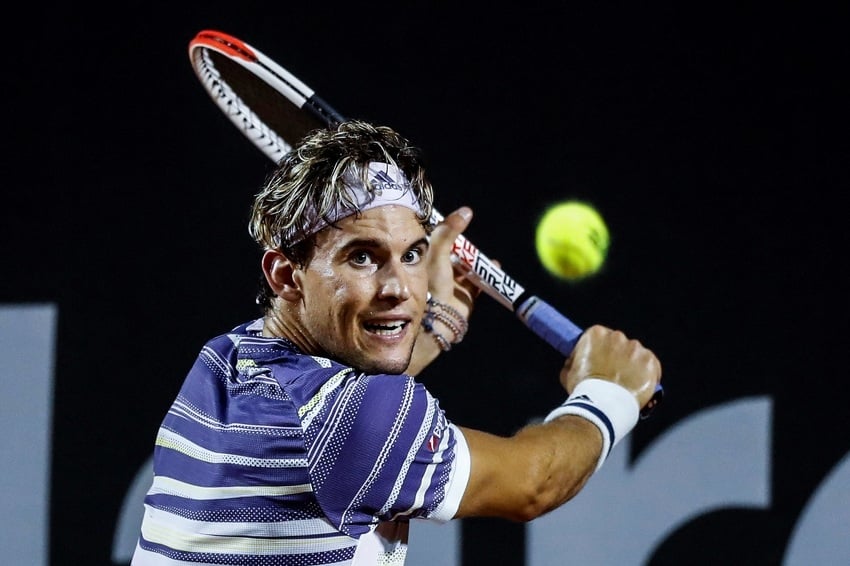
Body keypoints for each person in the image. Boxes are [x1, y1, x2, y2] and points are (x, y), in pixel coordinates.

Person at [132, 119, 662, 565]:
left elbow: (342, 419)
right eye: (362, 256)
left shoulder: (225, 361)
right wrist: (608, 392)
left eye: (411, 255)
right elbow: (534, 484)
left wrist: (438, 322)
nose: (399, 290)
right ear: (286, 275)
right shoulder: (348, 422)